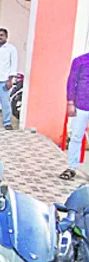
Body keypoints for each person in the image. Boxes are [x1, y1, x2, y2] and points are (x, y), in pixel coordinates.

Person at [60, 52, 89, 180]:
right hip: (81, 104)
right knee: (76, 137)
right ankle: (71, 168)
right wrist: (70, 102)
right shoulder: (80, 61)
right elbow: (71, 82)